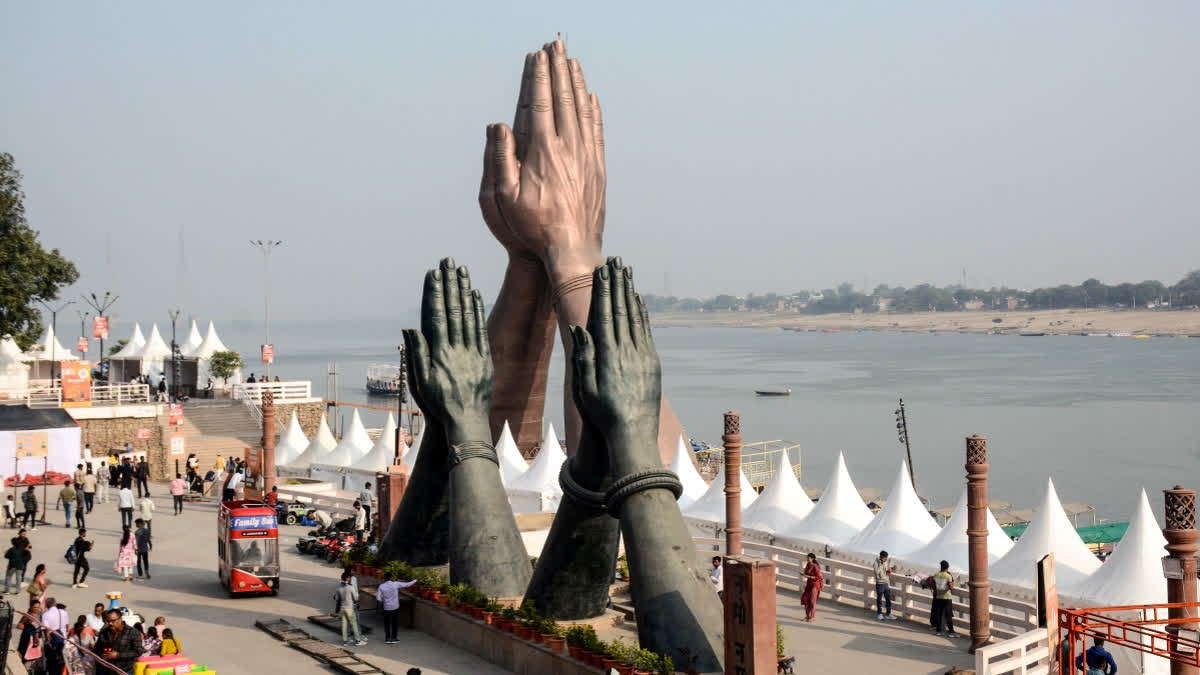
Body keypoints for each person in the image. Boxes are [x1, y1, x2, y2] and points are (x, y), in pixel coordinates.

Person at [94, 609, 145, 674]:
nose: (110, 623)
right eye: (108, 621)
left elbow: (138, 651)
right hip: (106, 670)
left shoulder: (133, 632)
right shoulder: (104, 632)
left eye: (113, 621)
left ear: (120, 619)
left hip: (125, 670)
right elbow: (96, 649)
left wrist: (118, 655)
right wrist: (102, 655)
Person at [376, 571, 418, 644]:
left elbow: (378, 598)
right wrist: (415, 580)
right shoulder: (395, 584)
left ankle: (387, 638)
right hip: (395, 607)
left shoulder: (381, 586)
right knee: (394, 623)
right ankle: (394, 638)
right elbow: (407, 585)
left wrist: (384, 599)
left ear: (384, 579)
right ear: (391, 577)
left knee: (387, 624)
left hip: (386, 608)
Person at [335, 569, 367, 646]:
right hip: (349, 608)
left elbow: (336, 598)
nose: (350, 579)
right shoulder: (350, 587)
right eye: (349, 578)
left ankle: (345, 641)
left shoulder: (339, 588)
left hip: (342, 608)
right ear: (346, 578)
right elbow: (356, 598)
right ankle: (358, 640)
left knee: (344, 625)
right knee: (354, 624)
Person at [930, 560, 956, 636]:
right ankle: (951, 632)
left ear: (941, 567)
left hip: (938, 597)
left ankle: (938, 631)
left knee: (938, 614)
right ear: (947, 567)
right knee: (948, 615)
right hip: (947, 597)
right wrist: (952, 586)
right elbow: (951, 588)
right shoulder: (948, 576)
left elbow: (934, 586)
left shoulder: (936, 575)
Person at [873, 550, 897, 620]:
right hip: (880, 584)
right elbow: (877, 573)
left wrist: (889, 570)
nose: (886, 559)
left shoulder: (886, 562)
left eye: (886, 558)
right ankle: (879, 614)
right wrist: (881, 564)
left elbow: (886, 571)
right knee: (879, 600)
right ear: (881, 557)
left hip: (886, 583)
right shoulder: (876, 563)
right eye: (885, 558)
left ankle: (888, 614)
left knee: (888, 599)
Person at [801, 552, 824, 622]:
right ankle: (807, 616)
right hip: (809, 584)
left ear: (812, 559)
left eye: (809, 558)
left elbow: (819, 577)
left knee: (812, 601)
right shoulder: (808, 565)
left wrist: (809, 576)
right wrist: (804, 574)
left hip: (815, 585)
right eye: (807, 557)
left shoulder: (815, 566)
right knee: (805, 599)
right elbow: (806, 572)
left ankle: (812, 616)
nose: (807, 559)